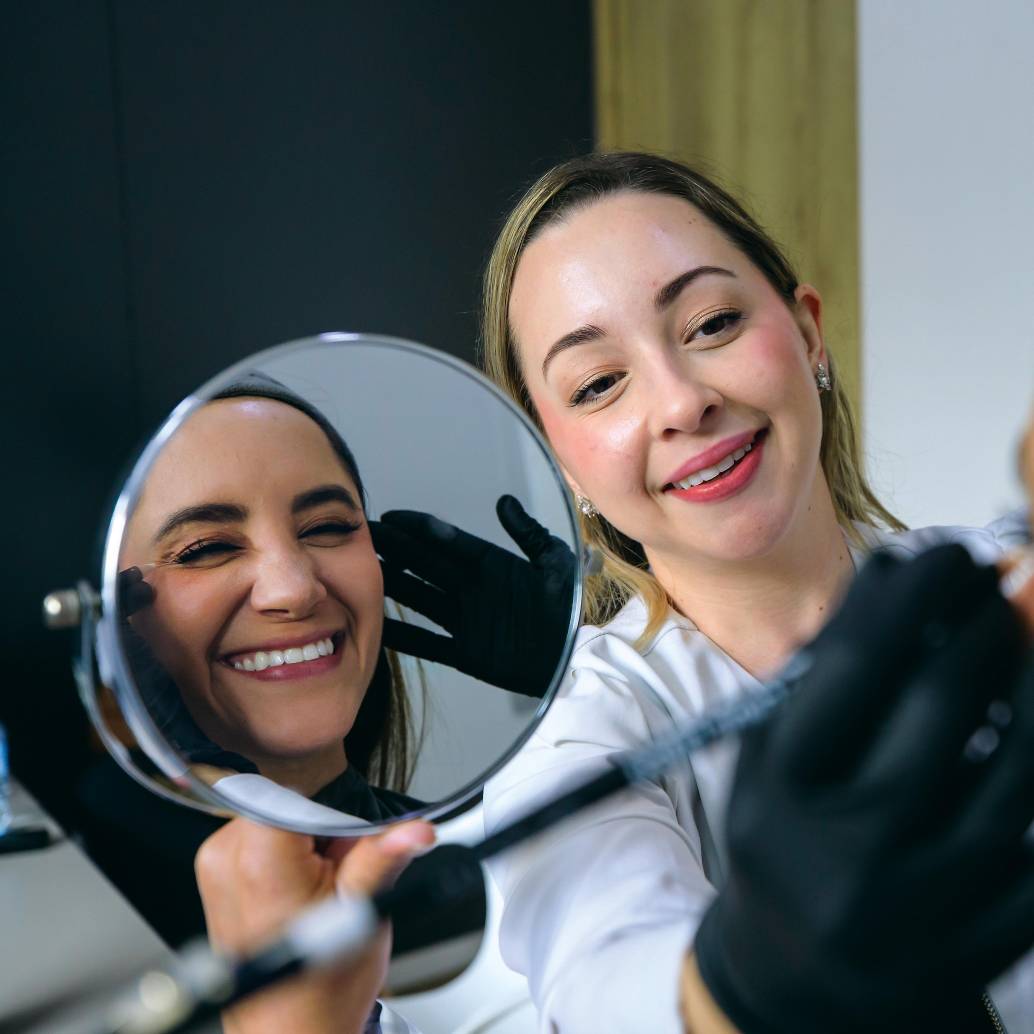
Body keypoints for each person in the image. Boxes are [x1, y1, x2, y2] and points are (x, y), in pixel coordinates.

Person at [475, 152, 1034, 1031]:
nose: (681, 402)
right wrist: (746, 976)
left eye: (712, 322)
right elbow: (608, 976)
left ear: (809, 334)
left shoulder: (1004, 588)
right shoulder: (575, 749)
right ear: (558, 466)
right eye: (597, 384)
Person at [118, 375, 421, 821]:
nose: (294, 590)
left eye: (327, 527)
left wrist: (560, 691)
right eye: (207, 549)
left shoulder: (476, 850)